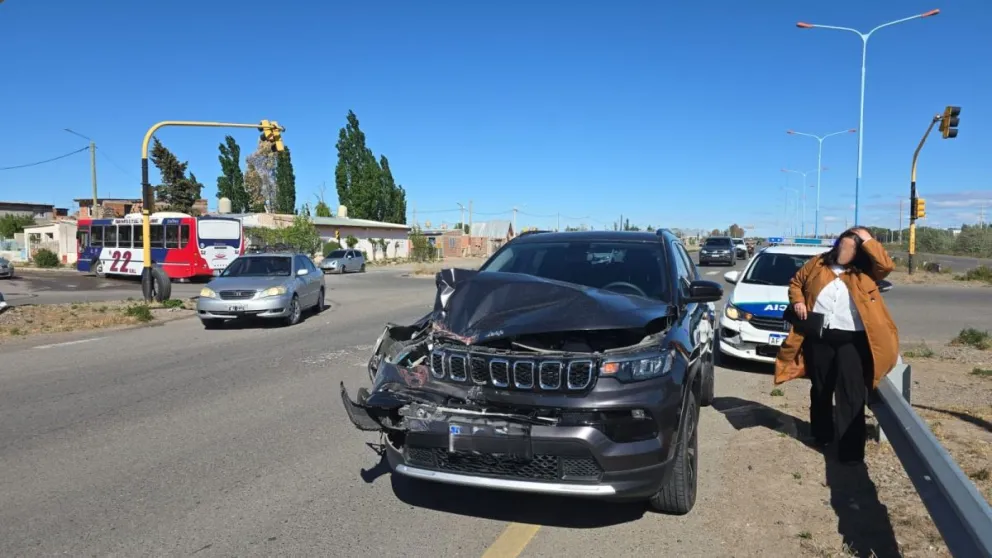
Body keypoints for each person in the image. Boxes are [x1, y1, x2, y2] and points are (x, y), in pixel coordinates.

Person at [774, 227, 899, 464]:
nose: (845, 250)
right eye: (843, 244)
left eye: (852, 247)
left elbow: (886, 266)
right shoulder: (818, 263)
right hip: (820, 337)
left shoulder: (867, 270)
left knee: (850, 393)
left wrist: (867, 238)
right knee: (821, 387)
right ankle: (821, 435)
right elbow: (796, 283)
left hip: (853, 340)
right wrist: (799, 301)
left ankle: (851, 450)